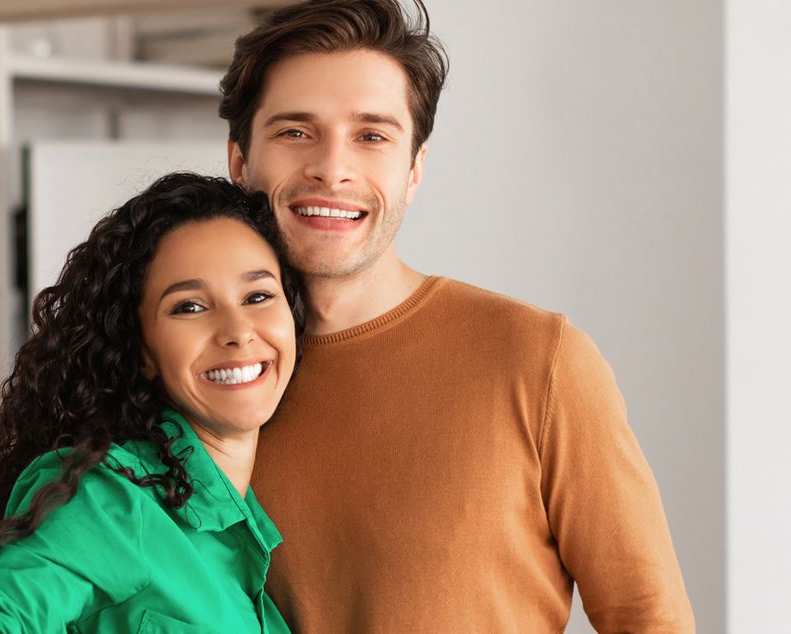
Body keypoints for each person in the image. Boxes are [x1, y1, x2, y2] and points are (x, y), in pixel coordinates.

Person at [218, 0, 695, 630]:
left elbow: (647, 617)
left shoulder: (539, 360)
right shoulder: (205, 378)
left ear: (414, 169)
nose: (332, 169)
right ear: (239, 161)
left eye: (372, 136)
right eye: (295, 132)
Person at [0, 173, 305, 632]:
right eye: (188, 306)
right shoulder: (110, 503)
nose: (237, 330)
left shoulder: (250, 523)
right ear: (143, 351)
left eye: (258, 296)